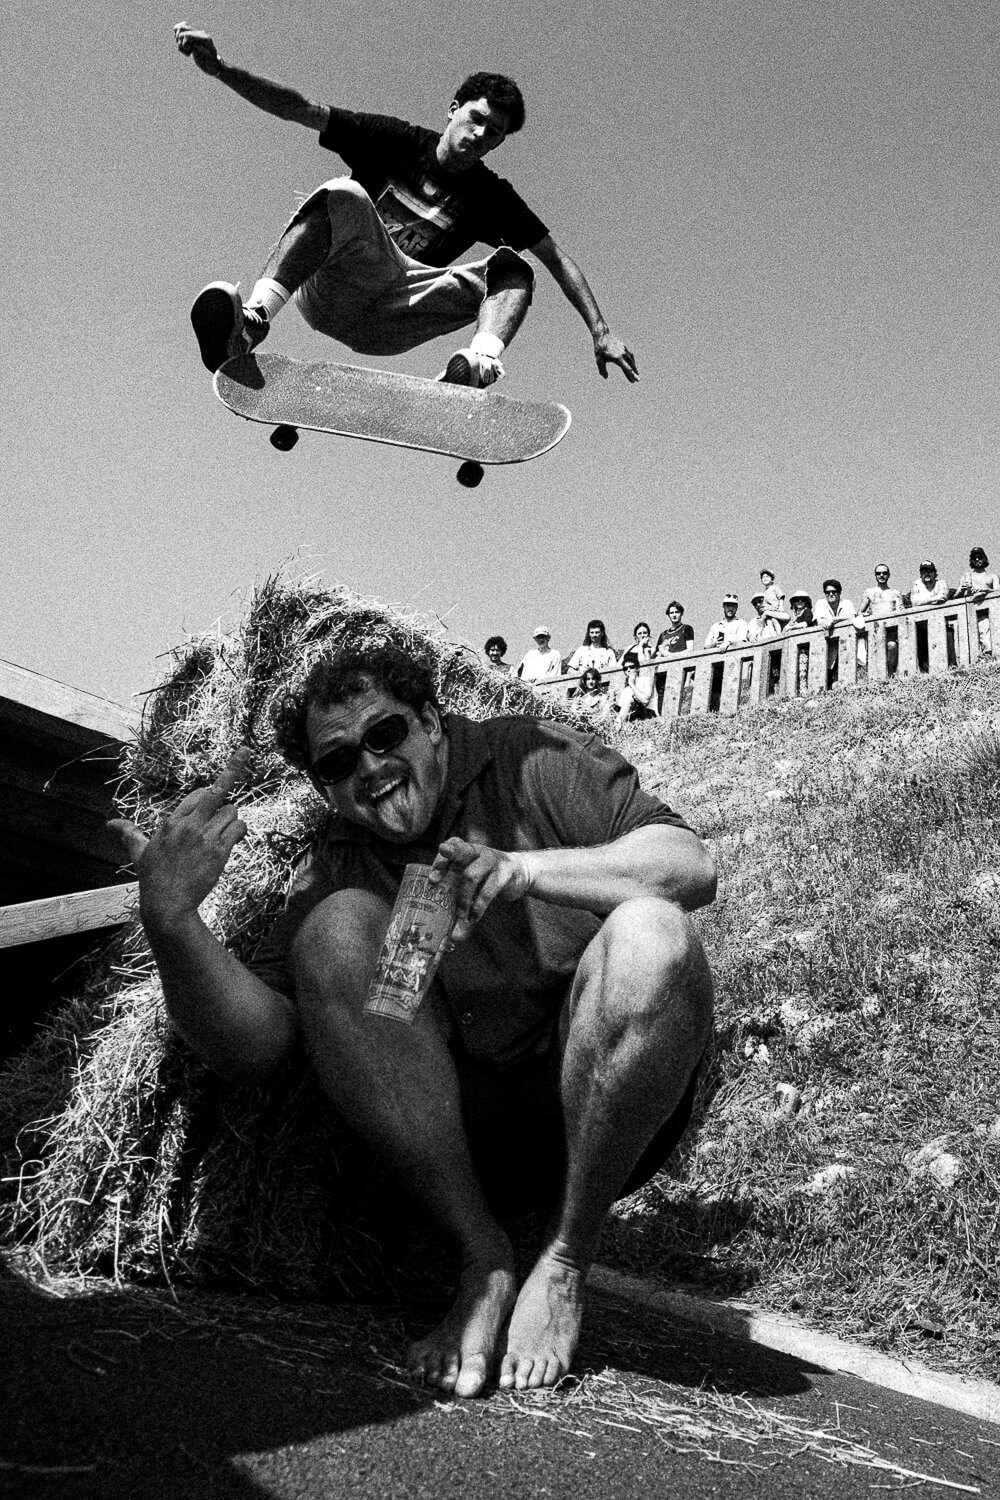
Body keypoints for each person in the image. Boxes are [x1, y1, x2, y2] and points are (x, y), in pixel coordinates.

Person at [112, 643, 715, 1399]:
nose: (368, 766)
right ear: (324, 790)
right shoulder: (334, 857)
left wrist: (525, 871)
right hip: (459, 1135)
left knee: (655, 934)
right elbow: (258, 1051)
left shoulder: (532, 759)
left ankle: (563, 1260)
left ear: (431, 721)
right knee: (336, 930)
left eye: (385, 734)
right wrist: (172, 921)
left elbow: (689, 867)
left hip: (603, 1098)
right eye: (336, 764)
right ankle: (482, 1257)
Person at [173, 25, 639, 390]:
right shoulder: (395, 141)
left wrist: (601, 332)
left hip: (396, 315)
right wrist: (222, 69)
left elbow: (556, 258)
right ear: (453, 109)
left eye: (494, 132)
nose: (480, 136)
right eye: (476, 119)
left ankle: (479, 363)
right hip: (336, 289)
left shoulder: (492, 195)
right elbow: (303, 108)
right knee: (343, 194)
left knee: (514, 267)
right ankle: (253, 322)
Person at [858, 564, 903, 676]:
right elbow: (860, 612)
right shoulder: (869, 592)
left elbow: (901, 611)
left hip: (891, 630)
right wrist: (867, 616)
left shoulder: (895, 593)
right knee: (875, 654)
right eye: (878, 573)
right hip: (875, 630)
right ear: (875, 575)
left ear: (889, 575)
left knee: (892, 646)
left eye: (884, 573)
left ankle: (891, 675)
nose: (881, 575)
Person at [616, 623, 658, 721]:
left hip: (643, 682)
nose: (643, 635)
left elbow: (644, 664)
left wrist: (641, 647)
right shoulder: (630, 648)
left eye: (645, 633)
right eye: (640, 633)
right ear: (635, 636)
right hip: (627, 680)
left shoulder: (651, 650)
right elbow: (619, 664)